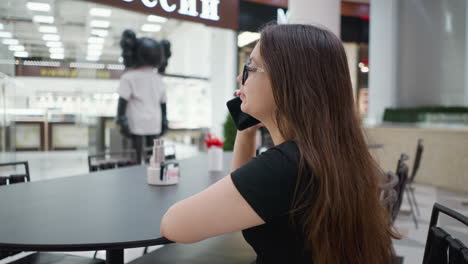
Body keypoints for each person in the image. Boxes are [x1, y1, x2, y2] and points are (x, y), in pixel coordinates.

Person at [160, 24, 397, 264]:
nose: (238, 78)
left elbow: (174, 225)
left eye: (249, 67)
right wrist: (247, 131)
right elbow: (242, 197)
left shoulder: (285, 167)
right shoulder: (326, 154)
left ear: (286, 82)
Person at [116, 30, 171, 163]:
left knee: (136, 155)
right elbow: (163, 103)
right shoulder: (159, 79)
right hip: (155, 121)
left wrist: (121, 120)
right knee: (153, 156)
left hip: (136, 122)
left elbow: (122, 101)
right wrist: (164, 119)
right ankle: (153, 176)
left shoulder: (128, 77)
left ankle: (136, 179)